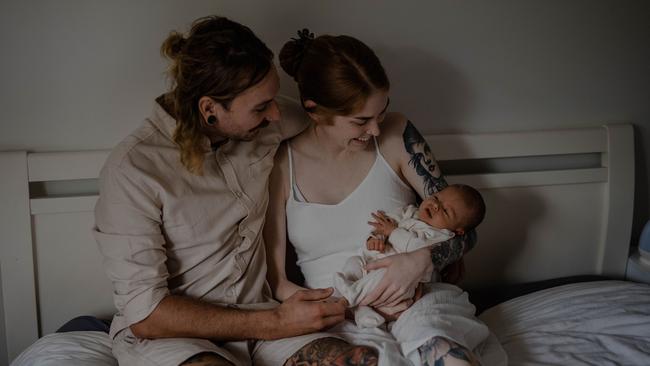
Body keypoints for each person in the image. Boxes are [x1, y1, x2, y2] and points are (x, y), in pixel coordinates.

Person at [93, 16, 381, 366]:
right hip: (174, 339)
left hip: (261, 324)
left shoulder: (266, 124)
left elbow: (331, 116)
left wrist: (434, 239)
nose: (276, 114)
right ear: (209, 109)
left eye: (273, 99)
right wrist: (277, 321)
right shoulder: (133, 170)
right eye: (261, 107)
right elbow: (146, 314)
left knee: (362, 361)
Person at [265, 30, 504, 366]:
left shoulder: (396, 135)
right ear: (314, 111)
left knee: (440, 350)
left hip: (418, 298)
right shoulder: (280, 164)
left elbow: (464, 226)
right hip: (339, 312)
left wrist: (420, 261)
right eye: (361, 121)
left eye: (380, 113)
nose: (375, 129)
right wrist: (338, 308)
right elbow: (276, 281)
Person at [335, 184, 486, 328]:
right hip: (373, 261)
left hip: (400, 280)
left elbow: (418, 250)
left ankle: (350, 296)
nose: (436, 205)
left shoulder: (441, 236)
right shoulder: (409, 211)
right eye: (436, 197)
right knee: (353, 262)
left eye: (445, 211)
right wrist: (374, 239)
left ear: (458, 231)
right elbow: (383, 225)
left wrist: (393, 232)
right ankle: (361, 312)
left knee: (383, 276)